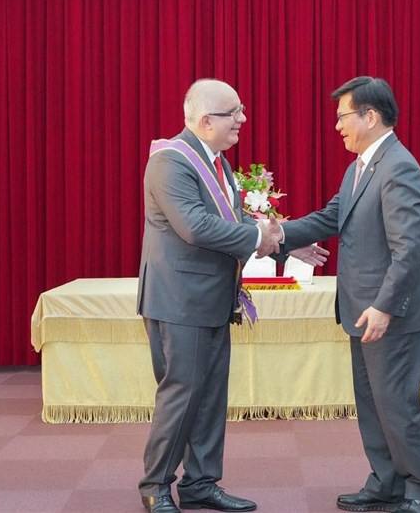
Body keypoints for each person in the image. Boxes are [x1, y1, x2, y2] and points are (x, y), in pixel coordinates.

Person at [136, 78, 316, 513]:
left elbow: (235, 221)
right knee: (182, 393)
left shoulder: (217, 163)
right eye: (233, 112)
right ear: (204, 120)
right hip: (181, 301)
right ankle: (156, 485)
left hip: (213, 298)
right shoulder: (170, 162)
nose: (242, 119)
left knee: (211, 395)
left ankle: (200, 483)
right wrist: (262, 236)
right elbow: (196, 227)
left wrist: (286, 243)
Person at [282, 76, 420, 513]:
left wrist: (384, 306)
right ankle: (388, 481)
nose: (337, 127)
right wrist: (272, 235)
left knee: (397, 404)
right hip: (362, 310)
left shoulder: (400, 168)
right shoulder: (361, 166)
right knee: (373, 404)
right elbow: (330, 216)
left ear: (370, 116)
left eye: (343, 117)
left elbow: (410, 250)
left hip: (390, 313)